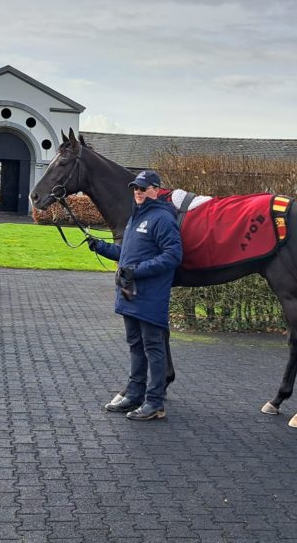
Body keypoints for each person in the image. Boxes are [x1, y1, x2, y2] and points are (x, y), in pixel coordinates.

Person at [87, 170, 182, 421]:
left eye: (143, 188)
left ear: (156, 190)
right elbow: (126, 254)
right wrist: (100, 246)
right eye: (136, 188)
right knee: (136, 346)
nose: (138, 192)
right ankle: (135, 394)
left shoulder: (162, 218)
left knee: (153, 347)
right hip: (130, 296)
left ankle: (155, 403)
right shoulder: (135, 218)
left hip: (150, 297)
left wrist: (136, 272)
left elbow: (173, 256)